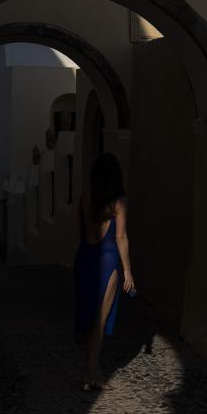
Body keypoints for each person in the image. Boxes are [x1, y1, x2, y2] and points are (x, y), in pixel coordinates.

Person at [74, 152, 134, 390]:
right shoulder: (119, 201)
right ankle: (91, 373)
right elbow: (121, 237)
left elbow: (78, 228)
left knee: (89, 317)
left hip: (85, 257)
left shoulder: (85, 196)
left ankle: (89, 370)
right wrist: (128, 271)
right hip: (108, 263)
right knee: (100, 319)